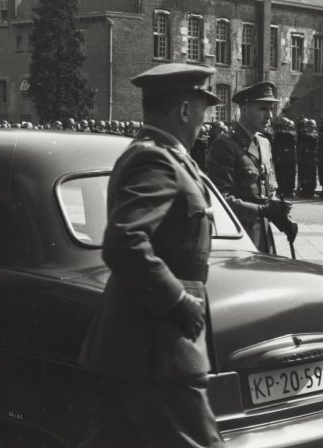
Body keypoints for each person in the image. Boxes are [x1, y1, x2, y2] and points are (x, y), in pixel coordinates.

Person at [78, 63, 224, 448]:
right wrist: (178, 300)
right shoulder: (157, 160)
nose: (205, 123)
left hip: (136, 343)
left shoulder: (166, 157)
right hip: (159, 345)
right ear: (185, 110)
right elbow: (125, 240)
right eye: (204, 110)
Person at [207, 81, 297, 254]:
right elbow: (221, 200)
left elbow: (268, 191)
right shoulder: (225, 145)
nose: (269, 115)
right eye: (263, 109)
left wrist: (282, 219)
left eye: (271, 109)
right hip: (239, 240)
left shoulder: (264, 142)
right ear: (244, 109)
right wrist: (262, 210)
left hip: (264, 238)